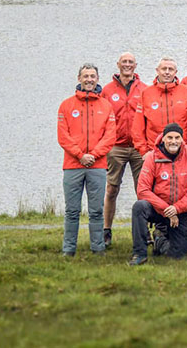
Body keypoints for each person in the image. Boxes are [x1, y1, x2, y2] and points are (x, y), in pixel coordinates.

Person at [58, 63, 117, 256]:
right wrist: (80, 155)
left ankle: (98, 248)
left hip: (97, 166)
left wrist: (94, 155)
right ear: (79, 78)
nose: (89, 79)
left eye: (93, 76)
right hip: (73, 166)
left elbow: (110, 136)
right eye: (86, 76)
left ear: (98, 79)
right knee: (72, 211)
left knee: (96, 211)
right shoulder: (66, 105)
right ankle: (68, 250)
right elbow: (63, 136)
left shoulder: (106, 106)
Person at [129, 123, 187, 265]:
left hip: (181, 211)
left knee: (177, 256)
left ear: (182, 139)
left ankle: (160, 241)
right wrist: (167, 210)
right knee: (139, 207)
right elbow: (142, 189)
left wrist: (177, 208)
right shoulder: (152, 156)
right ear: (163, 139)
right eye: (169, 137)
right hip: (158, 210)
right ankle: (139, 254)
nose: (173, 141)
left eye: (177, 137)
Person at [100, 52, 147, 248]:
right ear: (118, 64)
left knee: (143, 192)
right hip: (115, 147)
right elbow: (100, 118)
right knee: (112, 189)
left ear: (136, 65)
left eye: (131, 62)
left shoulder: (144, 89)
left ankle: (146, 232)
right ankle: (106, 230)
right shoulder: (107, 90)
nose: (127, 65)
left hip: (138, 148)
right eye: (124, 62)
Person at [131, 57, 187, 155]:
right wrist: (143, 151)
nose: (167, 72)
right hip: (154, 151)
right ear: (157, 70)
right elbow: (138, 126)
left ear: (175, 72)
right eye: (164, 69)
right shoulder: (146, 93)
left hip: (182, 150)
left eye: (171, 69)